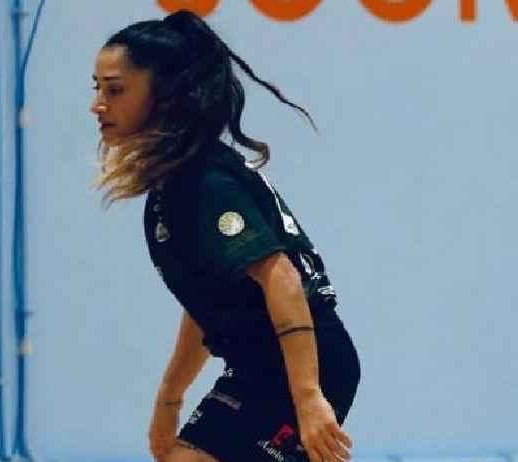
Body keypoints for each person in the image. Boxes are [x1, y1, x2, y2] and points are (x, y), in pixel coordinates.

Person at [90, 9, 360, 462]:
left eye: (115, 90)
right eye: (96, 88)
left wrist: (308, 396)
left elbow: (281, 276)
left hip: (297, 367)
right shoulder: (173, 184)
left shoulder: (205, 183)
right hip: (258, 367)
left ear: (165, 95)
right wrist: (169, 398)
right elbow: (209, 301)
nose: (98, 104)